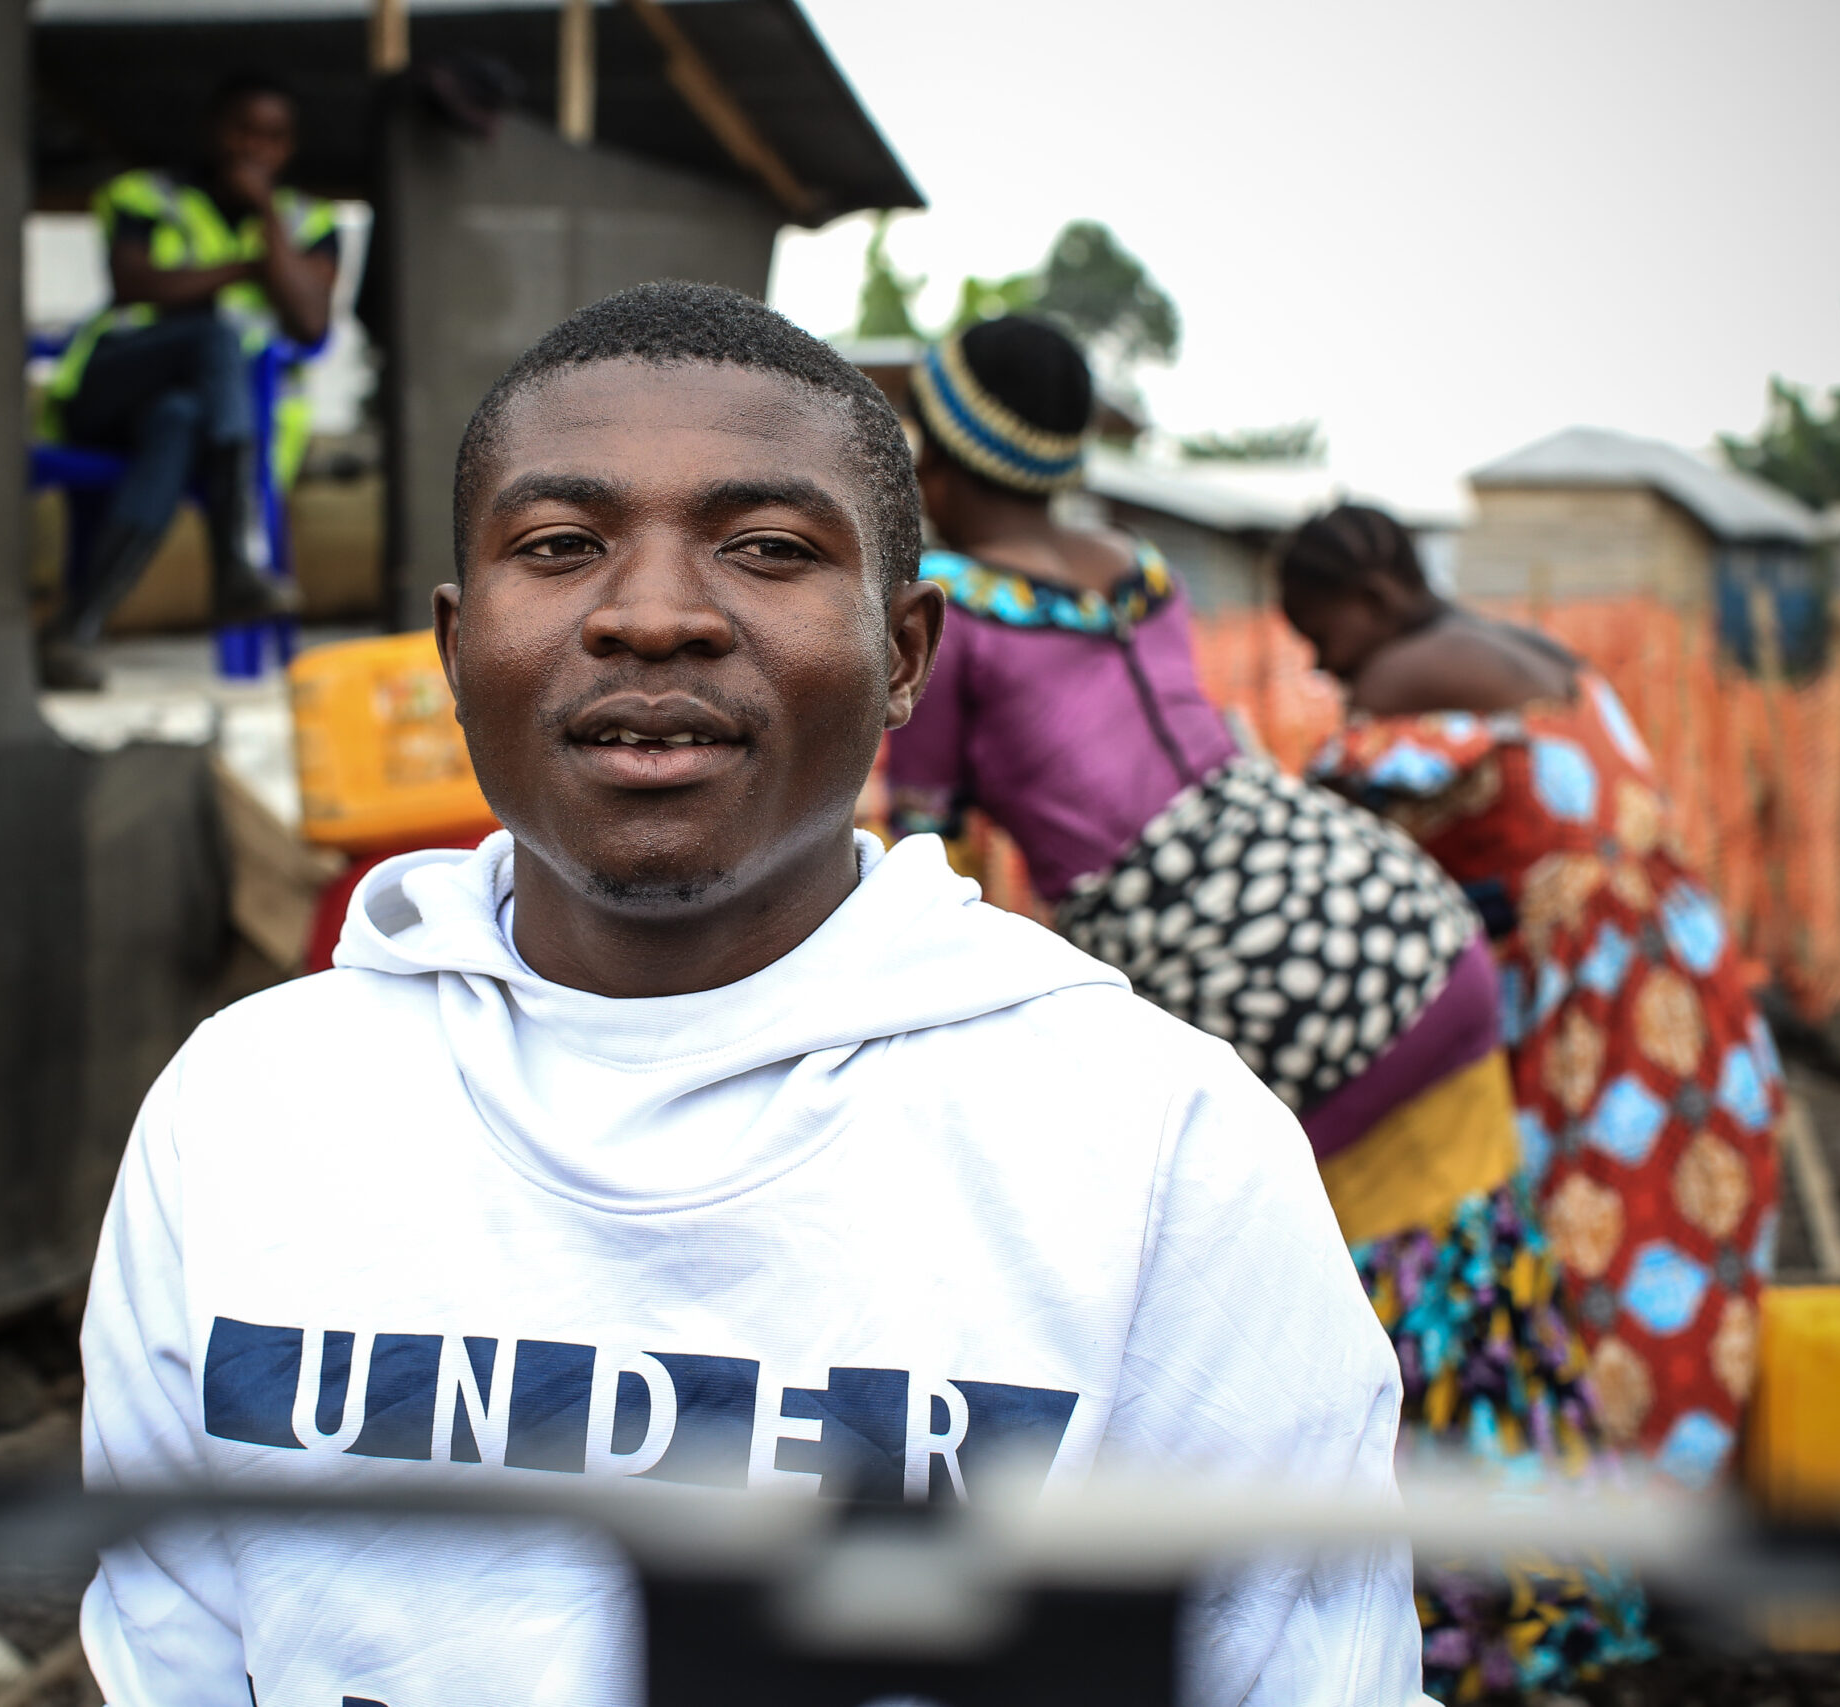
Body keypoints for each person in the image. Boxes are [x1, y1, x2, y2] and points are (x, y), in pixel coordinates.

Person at [78, 283, 1426, 1706]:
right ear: (456, 647)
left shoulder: (1157, 1152)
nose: (654, 616)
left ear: (904, 652)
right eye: (561, 544)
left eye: (770, 547)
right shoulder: (247, 1111)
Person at [886, 319, 1648, 1698]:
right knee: (1465, 1297)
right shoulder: (1143, 571)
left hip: (1272, 990)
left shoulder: (942, 605)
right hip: (1395, 918)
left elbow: (924, 861)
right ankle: (1541, 1620)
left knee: (1330, 1344)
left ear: (936, 457)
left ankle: (1426, 1639)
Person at [1283, 503, 1785, 1498]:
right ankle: (1656, 1485)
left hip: (1599, 996)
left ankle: (1583, 1504)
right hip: (1676, 963)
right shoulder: (1506, 641)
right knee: (1668, 1213)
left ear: (1373, 600)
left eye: (1320, 636)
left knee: (1587, 1219)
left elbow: (1331, 837)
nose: (1323, 668)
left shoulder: (1400, 675)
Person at [36, 71, 340, 689]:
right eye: (242, 130)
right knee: (213, 338)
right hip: (111, 391)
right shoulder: (143, 196)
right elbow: (136, 283)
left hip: (197, 419)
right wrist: (248, 267)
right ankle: (234, 563)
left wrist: (264, 217)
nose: (254, 148)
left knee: (178, 421)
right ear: (212, 131)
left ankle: (76, 628)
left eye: (273, 137)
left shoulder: (308, 221)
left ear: (289, 148)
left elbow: (309, 322)